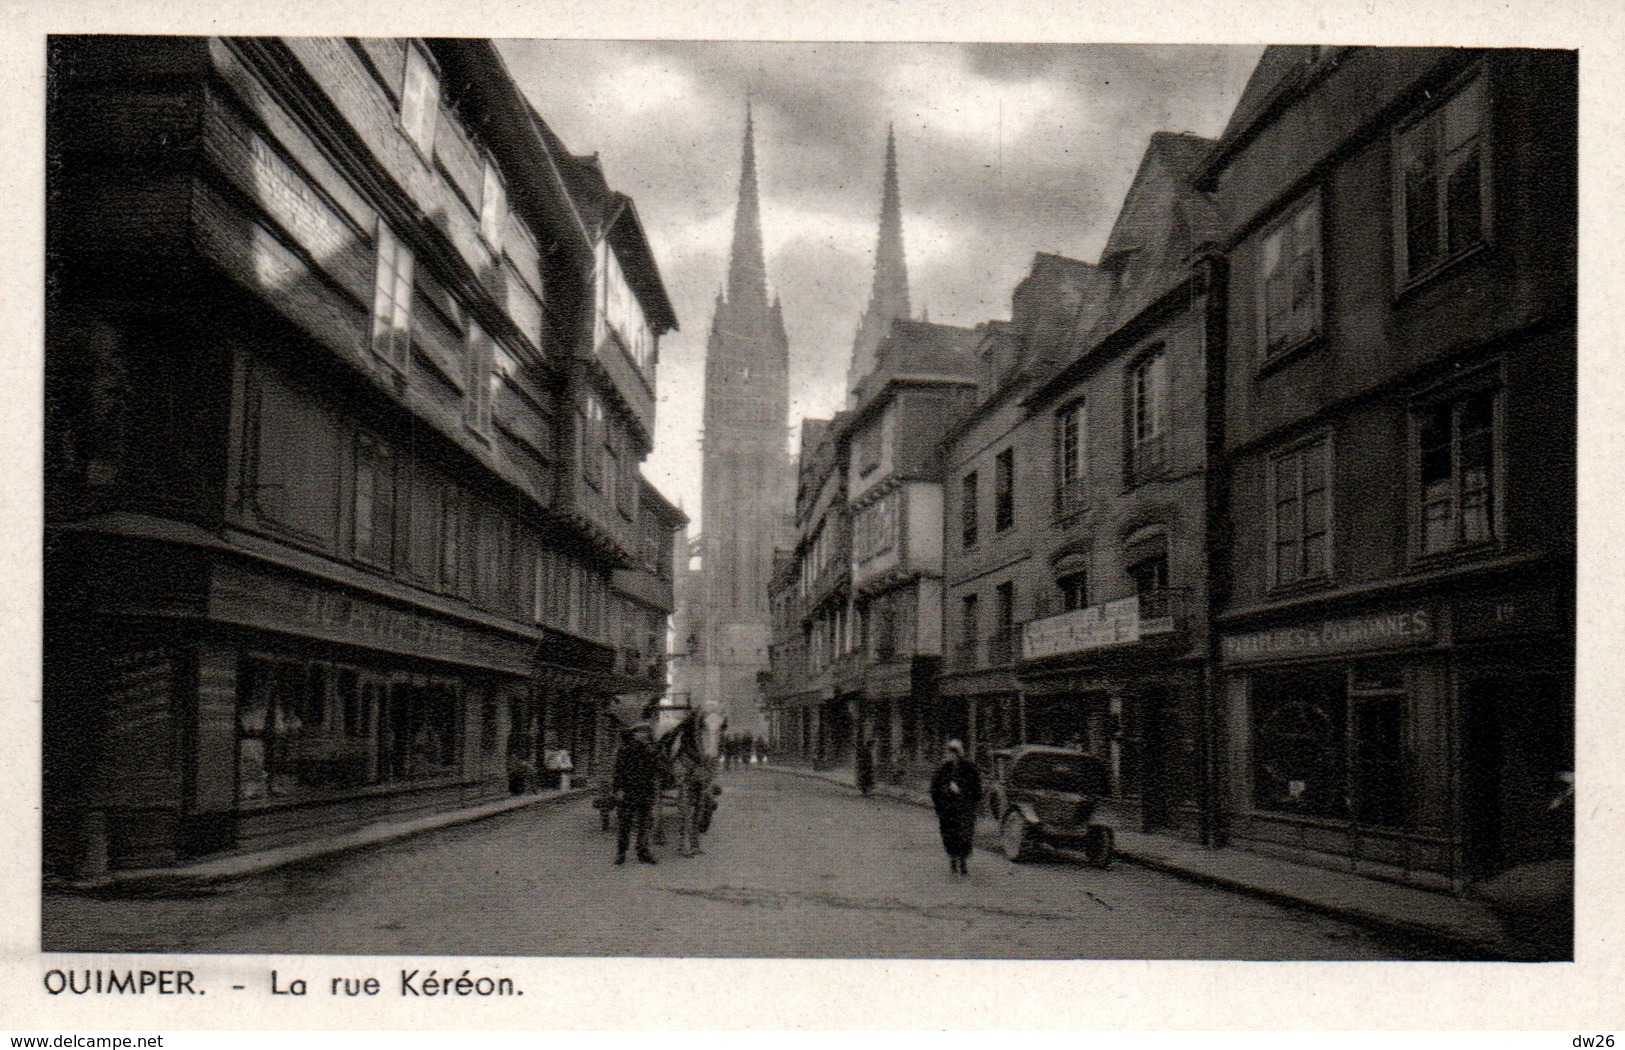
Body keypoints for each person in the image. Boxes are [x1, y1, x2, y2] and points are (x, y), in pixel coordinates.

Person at [612, 722, 664, 865]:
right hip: (628, 791)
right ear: (634, 734)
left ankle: (643, 852)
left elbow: (658, 770)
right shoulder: (625, 749)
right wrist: (619, 789)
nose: (642, 735)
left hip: (646, 791)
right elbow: (618, 771)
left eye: (645, 733)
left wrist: (656, 752)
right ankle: (621, 853)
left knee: (645, 823)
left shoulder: (652, 751)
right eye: (639, 733)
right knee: (625, 823)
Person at [930, 739, 983, 875]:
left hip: (965, 808)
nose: (952, 755)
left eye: (955, 752)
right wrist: (946, 791)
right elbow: (934, 789)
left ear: (960, 753)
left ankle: (963, 861)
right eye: (950, 752)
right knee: (949, 835)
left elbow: (977, 788)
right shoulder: (943, 769)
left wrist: (964, 792)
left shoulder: (969, 768)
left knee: (965, 835)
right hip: (948, 809)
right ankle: (953, 860)